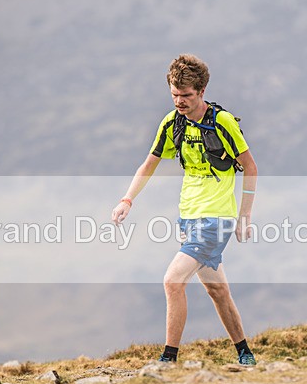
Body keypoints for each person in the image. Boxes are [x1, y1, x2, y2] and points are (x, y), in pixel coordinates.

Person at [111, 54, 258, 365]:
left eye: (186, 95)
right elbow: (149, 164)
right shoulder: (172, 122)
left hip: (216, 218)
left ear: (202, 91)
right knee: (218, 291)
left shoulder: (223, 122)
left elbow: (250, 167)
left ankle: (169, 358)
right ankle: (245, 353)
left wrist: (245, 217)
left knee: (173, 281)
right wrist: (127, 199)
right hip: (188, 217)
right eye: (174, 94)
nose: (179, 101)